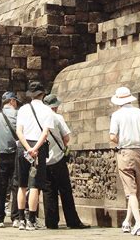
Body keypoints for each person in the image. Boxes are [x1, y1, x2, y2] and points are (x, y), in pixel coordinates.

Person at [109, 86, 140, 236]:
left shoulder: (117, 115)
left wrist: (124, 140)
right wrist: (137, 137)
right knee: (135, 191)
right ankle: (127, 222)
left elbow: (112, 137)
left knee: (131, 191)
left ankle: (139, 224)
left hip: (125, 152)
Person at [42, 94, 90, 229]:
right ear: (55, 106)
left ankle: (51, 222)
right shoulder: (57, 118)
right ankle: (72, 220)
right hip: (57, 158)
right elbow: (66, 138)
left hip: (43, 159)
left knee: (48, 191)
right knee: (65, 190)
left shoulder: (39, 118)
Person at [16, 81, 54, 231]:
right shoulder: (47, 110)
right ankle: (31, 219)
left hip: (23, 146)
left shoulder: (23, 109)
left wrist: (27, 148)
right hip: (38, 147)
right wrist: (35, 149)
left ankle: (20, 219)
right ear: (42, 94)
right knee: (34, 186)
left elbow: (19, 132)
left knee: (22, 185)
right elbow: (45, 133)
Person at [0, 91, 21, 228]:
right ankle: (16, 217)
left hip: (0, 155)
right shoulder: (19, 115)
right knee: (16, 187)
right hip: (16, 155)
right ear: (12, 101)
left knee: (0, 188)